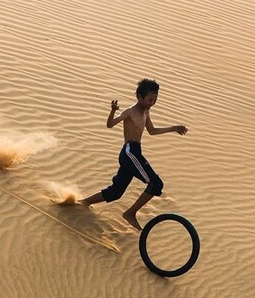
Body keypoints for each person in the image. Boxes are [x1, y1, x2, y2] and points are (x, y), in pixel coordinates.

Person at [79, 79, 187, 229]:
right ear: (139, 97)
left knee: (116, 192)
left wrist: (173, 128)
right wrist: (112, 111)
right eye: (149, 99)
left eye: (155, 100)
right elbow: (110, 125)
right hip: (130, 152)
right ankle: (130, 213)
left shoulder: (146, 112)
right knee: (156, 184)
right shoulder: (130, 112)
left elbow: (152, 131)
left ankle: (83, 202)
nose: (152, 103)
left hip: (134, 153)